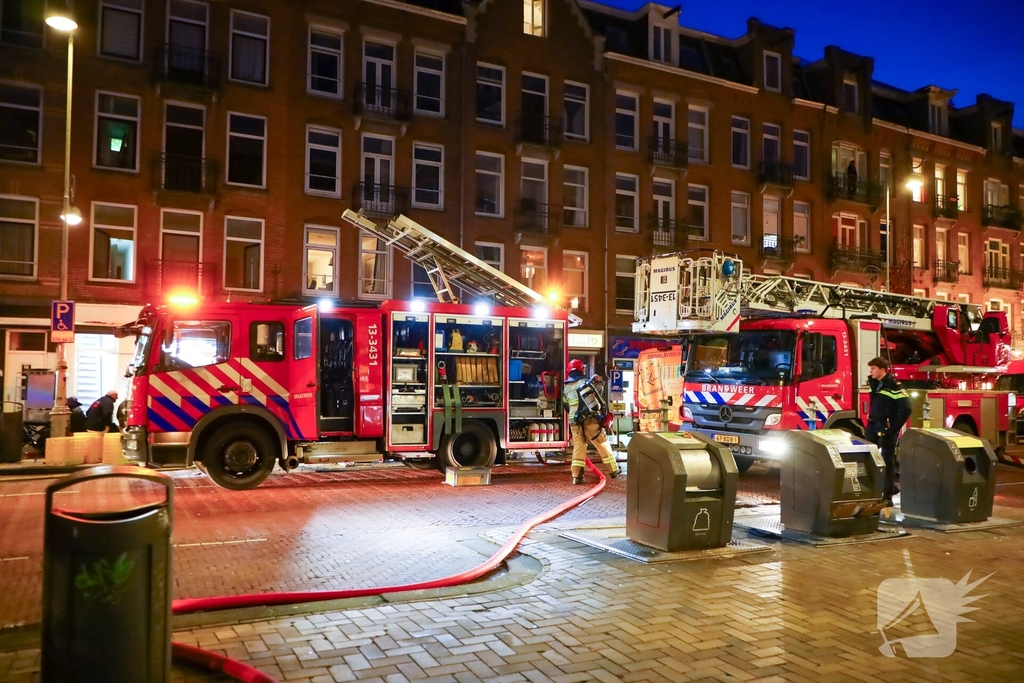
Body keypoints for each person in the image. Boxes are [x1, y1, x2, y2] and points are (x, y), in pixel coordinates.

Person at [563, 359, 621, 485]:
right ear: (581, 369)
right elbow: (597, 395)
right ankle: (614, 470)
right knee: (602, 443)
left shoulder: (566, 387)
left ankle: (576, 476)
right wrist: (599, 383)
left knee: (579, 447)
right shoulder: (585, 382)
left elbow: (566, 405)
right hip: (590, 420)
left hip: (575, 422)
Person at [866, 357, 912, 505]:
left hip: (886, 429)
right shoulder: (875, 383)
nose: (871, 371)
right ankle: (882, 488)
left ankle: (887, 497)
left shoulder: (894, 385)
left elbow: (906, 409)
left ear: (882, 369)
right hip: (873, 425)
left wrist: (893, 429)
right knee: (869, 458)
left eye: (873, 368)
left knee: (887, 461)